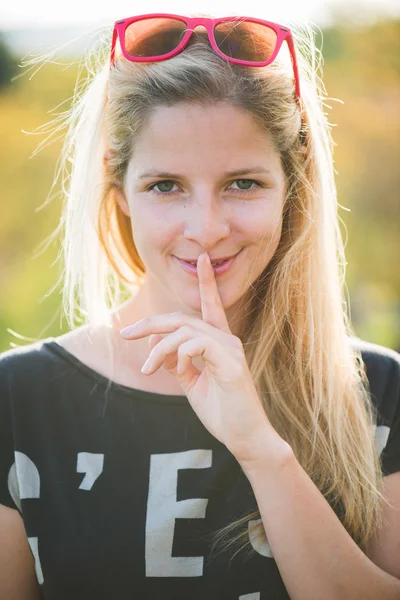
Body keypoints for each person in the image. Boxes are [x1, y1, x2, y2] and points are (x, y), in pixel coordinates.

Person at [0, 11, 399, 600]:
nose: (206, 229)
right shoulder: (18, 399)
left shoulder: (378, 390)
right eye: (166, 185)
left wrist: (261, 449)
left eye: (244, 183)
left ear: (293, 187)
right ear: (120, 188)